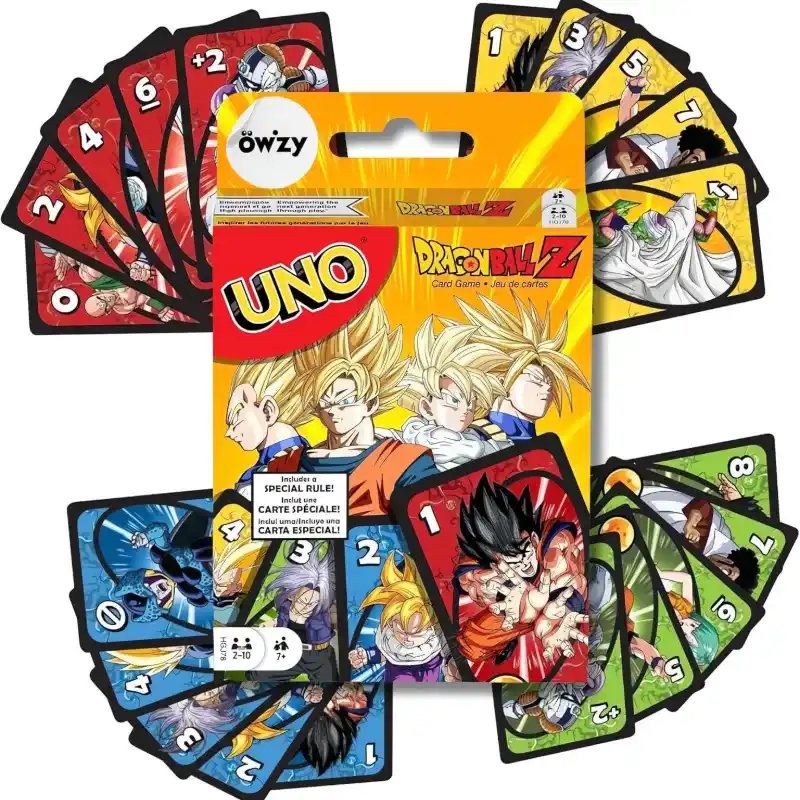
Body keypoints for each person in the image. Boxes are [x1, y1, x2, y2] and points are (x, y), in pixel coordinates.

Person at [267, 301, 439, 514]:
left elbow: (435, 526)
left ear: (370, 404)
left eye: (345, 402)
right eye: (325, 403)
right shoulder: (288, 465)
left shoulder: (404, 463)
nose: (333, 411)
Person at [444, 294, 589, 441]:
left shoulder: (536, 443)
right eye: (536, 380)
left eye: (550, 385)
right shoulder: (473, 441)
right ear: (502, 384)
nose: (547, 389)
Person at [378, 316, 509, 471]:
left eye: (471, 404)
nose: (465, 410)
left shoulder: (481, 439)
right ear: (427, 408)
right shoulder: (409, 440)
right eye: (453, 401)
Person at [593, 194, 737, 306]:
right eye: (638, 222)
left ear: (647, 236)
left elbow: (601, 234)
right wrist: (712, 211)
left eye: (638, 227)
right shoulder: (676, 225)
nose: (635, 227)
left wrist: (612, 210)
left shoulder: (629, 245)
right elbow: (704, 233)